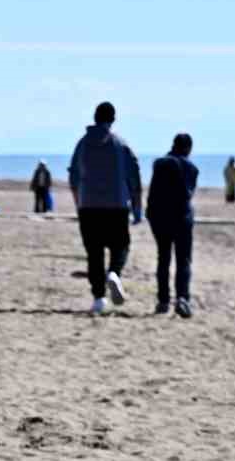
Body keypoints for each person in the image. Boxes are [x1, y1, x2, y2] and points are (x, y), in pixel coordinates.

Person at [67, 101, 142, 316]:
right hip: (116, 206)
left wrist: (79, 203)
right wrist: (137, 207)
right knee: (121, 245)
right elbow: (134, 177)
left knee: (94, 252)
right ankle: (114, 273)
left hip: (88, 206)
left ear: (95, 118)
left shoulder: (82, 144)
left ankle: (99, 298)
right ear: (113, 119)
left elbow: (73, 178)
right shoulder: (120, 144)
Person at [147, 133, 199, 318]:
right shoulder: (191, 168)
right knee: (183, 260)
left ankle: (163, 301)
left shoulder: (159, 163)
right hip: (181, 218)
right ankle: (182, 298)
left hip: (159, 217)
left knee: (163, 258)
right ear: (188, 148)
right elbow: (188, 194)